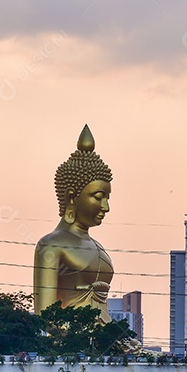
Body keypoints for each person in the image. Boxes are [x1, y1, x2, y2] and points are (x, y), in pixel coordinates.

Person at [33, 124, 115, 322]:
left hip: (104, 343)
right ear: (71, 197)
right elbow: (45, 318)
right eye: (98, 197)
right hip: (71, 344)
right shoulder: (51, 245)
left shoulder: (98, 247)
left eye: (107, 198)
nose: (105, 207)